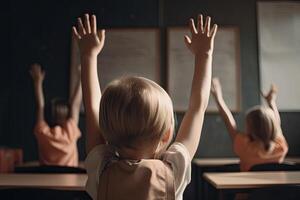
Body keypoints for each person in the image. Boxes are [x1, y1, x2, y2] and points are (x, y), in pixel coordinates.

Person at [72, 13, 217, 200]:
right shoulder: (174, 171)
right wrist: (204, 55)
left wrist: (87, 55)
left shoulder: (101, 168)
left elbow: (92, 108)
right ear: (166, 134)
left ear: (105, 130)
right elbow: (197, 108)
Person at [211, 78, 288, 171]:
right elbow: (277, 125)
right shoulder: (281, 147)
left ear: (250, 128)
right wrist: (272, 103)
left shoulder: (245, 147)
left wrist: (219, 99)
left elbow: (229, 124)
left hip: (249, 186)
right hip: (277, 186)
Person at [30, 63, 82, 167]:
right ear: (66, 117)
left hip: (45, 182)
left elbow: (40, 105)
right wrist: (82, 78)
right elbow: (75, 105)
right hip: (70, 182)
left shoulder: (43, 133)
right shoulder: (69, 133)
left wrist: (37, 82)